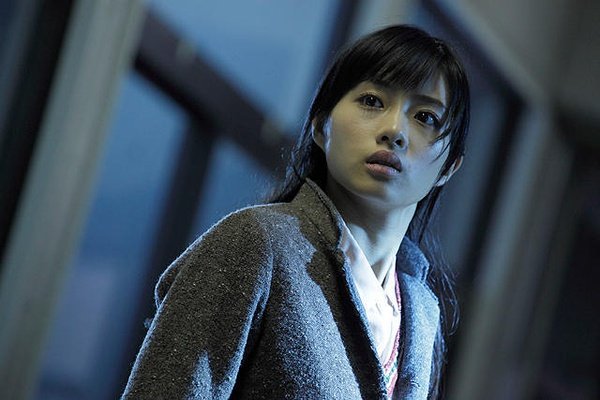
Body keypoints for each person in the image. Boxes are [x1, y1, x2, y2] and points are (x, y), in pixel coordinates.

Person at [122, 24, 470, 400]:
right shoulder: (256, 243)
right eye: (372, 101)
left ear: (449, 167)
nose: (394, 131)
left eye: (426, 118)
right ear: (321, 126)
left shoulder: (421, 313)